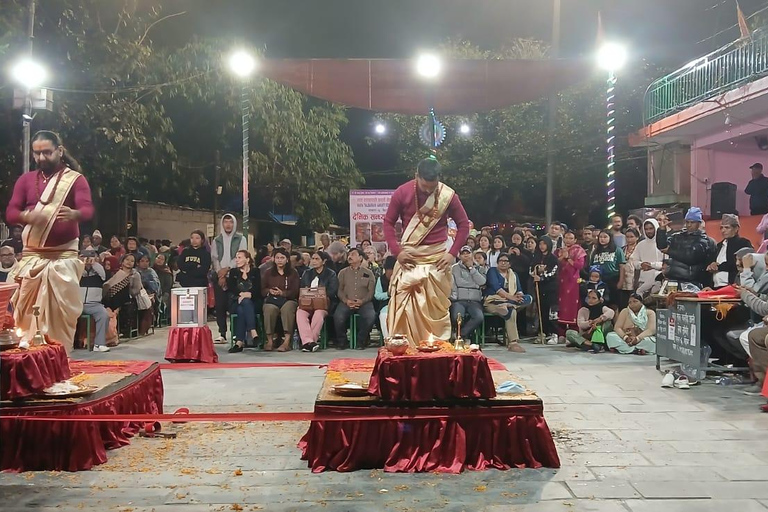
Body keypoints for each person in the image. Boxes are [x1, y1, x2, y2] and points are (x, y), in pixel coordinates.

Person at [5, 130, 94, 350]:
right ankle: (29, 363)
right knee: (23, 315)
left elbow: (87, 208)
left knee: (60, 318)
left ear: (59, 151)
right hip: (31, 259)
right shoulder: (26, 180)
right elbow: (11, 212)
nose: (41, 158)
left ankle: (60, 359)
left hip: (62, 260)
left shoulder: (75, 179)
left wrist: (75, 214)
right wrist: (26, 216)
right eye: (37, 153)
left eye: (46, 152)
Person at [382, 157, 470, 346]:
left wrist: (452, 253)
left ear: (439, 178)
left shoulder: (448, 196)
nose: (429, 190)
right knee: (404, 309)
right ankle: (405, 351)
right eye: (424, 186)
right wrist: (397, 251)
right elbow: (388, 223)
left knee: (434, 311)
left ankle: (435, 350)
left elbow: (463, 225)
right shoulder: (402, 192)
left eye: (433, 186)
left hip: (437, 261)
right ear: (416, 177)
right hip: (409, 259)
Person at [656, 207, 718, 289]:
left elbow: (692, 257)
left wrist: (670, 251)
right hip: (673, 279)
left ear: (699, 223)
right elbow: (662, 246)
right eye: (687, 222)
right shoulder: (677, 236)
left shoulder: (706, 240)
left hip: (693, 282)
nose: (689, 225)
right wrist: (662, 230)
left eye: (692, 222)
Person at [211, 213, 248, 344]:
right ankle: (222, 333)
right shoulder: (217, 240)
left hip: (235, 275)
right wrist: (220, 274)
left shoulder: (241, 239)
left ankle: (235, 333)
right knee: (220, 306)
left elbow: (240, 256)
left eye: (230, 222)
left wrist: (226, 270)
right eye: (225, 222)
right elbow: (214, 258)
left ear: (234, 224)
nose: (228, 224)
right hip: (219, 276)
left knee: (233, 306)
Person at [484, 253, 531, 351]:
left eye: (506, 261)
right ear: (497, 262)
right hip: (493, 301)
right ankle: (513, 343)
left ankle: (507, 305)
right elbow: (497, 289)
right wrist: (512, 298)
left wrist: (519, 296)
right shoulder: (492, 271)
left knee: (528, 298)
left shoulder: (513, 274)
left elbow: (519, 290)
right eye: (501, 261)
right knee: (512, 311)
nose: (503, 263)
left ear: (510, 264)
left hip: (509, 301)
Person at [334, 248, 376, 349]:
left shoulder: (369, 273)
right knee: (338, 317)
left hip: (364, 302)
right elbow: (339, 290)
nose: (349, 256)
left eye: (353, 254)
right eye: (349, 254)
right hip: (346, 302)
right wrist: (346, 301)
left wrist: (362, 301)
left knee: (370, 316)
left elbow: (371, 291)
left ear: (360, 258)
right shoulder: (342, 273)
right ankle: (342, 341)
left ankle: (361, 341)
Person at [297, 251, 338, 352]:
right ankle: (309, 342)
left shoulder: (331, 274)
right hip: (307, 303)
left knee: (319, 313)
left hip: (323, 304)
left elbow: (332, 292)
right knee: (300, 312)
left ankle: (309, 343)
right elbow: (302, 289)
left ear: (323, 261)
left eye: (317, 259)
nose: (314, 261)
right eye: (312, 259)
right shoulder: (307, 273)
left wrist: (318, 295)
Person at [261, 247, 299, 352]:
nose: (279, 260)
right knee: (268, 309)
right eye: (277, 257)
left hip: (288, 300)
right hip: (272, 300)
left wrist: (282, 293)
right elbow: (262, 289)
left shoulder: (293, 272)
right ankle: (270, 341)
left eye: (282, 257)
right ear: (273, 259)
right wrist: (270, 291)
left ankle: (286, 341)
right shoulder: (268, 272)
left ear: (287, 259)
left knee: (287, 309)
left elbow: (295, 291)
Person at [450, 245, 487, 342]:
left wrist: (472, 269)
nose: (466, 256)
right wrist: (475, 285)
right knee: (456, 317)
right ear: (460, 256)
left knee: (478, 317)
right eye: (463, 254)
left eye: (468, 253)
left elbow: (482, 281)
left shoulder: (479, 268)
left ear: (472, 255)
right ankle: (461, 336)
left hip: (475, 301)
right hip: (459, 300)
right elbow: (458, 282)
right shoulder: (455, 268)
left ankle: (461, 335)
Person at [227, 250, 262, 353]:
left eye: (239, 257)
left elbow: (257, 288)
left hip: (253, 302)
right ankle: (253, 331)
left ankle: (239, 342)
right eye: (236, 258)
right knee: (244, 303)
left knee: (243, 309)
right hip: (236, 301)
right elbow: (232, 288)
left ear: (247, 260)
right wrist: (241, 294)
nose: (236, 260)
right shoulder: (233, 272)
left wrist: (249, 294)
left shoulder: (255, 271)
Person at [102, 253, 143, 339]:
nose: (129, 262)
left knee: (123, 291)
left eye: (132, 261)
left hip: (128, 298)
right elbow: (108, 286)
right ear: (122, 261)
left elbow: (136, 289)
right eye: (127, 260)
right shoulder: (116, 272)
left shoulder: (135, 275)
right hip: (113, 298)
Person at [707, 214, 753, 288]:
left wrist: (719, 267)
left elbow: (740, 264)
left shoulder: (743, 243)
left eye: (727, 227)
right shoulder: (719, 245)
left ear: (736, 229)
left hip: (733, 287)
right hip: (715, 287)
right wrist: (712, 265)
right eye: (721, 228)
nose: (723, 230)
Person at [78, 249, 110, 352]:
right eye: (85, 257)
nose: (87, 260)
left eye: (90, 257)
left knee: (103, 314)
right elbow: (73, 274)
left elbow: (103, 275)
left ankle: (99, 344)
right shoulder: (77, 270)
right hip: (77, 303)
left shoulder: (99, 270)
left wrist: (94, 263)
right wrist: (81, 263)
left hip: (94, 304)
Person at [530, 237, 560, 344]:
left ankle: (554, 334)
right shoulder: (536, 257)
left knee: (552, 312)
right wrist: (536, 273)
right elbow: (531, 270)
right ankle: (542, 333)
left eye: (544, 244)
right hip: (539, 288)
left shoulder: (553, 258)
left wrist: (542, 276)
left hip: (550, 288)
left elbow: (553, 272)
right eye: (540, 244)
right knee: (541, 311)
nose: (542, 246)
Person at [557, 231, 587, 333]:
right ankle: (561, 332)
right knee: (560, 305)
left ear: (575, 240)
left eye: (571, 238)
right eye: (566, 238)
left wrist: (568, 258)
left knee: (573, 305)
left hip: (573, 281)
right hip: (561, 280)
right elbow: (555, 263)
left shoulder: (579, 251)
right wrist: (562, 257)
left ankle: (573, 329)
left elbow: (580, 266)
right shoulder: (559, 250)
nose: (568, 240)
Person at [590, 229, 626, 307]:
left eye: (605, 237)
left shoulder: (617, 250)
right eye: (600, 237)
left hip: (613, 279)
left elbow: (622, 267)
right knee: (599, 303)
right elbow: (591, 265)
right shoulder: (596, 251)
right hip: (599, 280)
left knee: (614, 304)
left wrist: (621, 281)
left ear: (610, 238)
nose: (602, 239)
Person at [632, 218, 664, 296]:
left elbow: (666, 263)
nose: (648, 231)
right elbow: (634, 261)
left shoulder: (663, 243)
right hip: (643, 281)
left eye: (651, 228)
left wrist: (651, 265)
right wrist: (641, 265)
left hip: (658, 281)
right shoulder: (640, 245)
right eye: (646, 229)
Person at [618, 228, 640, 309]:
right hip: (623, 279)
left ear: (637, 237)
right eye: (627, 237)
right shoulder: (622, 249)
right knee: (623, 304)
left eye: (631, 237)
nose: (629, 239)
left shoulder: (639, 249)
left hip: (634, 278)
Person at [374, 256, 396, 339]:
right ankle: (387, 339)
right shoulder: (381, 279)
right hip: (386, 305)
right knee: (384, 315)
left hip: (401, 304)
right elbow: (377, 295)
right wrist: (387, 294)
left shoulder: (401, 278)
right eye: (389, 272)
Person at [152, 253, 173, 317]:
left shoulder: (166, 272)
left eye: (162, 259)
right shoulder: (150, 270)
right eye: (158, 258)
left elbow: (168, 286)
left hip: (163, 293)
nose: (159, 260)